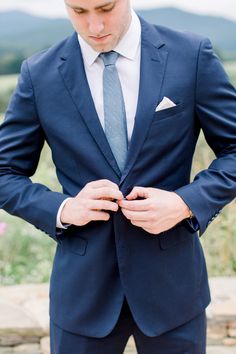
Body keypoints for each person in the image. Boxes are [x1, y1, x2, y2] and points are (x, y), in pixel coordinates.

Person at [0, 0, 235, 353]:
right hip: (82, 296)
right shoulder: (39, 73)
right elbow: (5, 171)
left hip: (173, 291)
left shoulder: (191, 54)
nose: (94, 26)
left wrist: (186, 202)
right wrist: (63, 209)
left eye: (105, 8)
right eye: (79, 12)